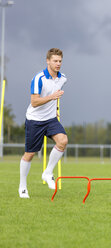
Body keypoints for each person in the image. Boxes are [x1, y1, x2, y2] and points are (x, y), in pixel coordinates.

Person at [19, 48, 68, 198]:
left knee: (63, 141)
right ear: (48, 61)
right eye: (55, 61)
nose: (58, 63)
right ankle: (22, 186)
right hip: (35, 120)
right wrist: (53, 97)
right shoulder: (39, 78)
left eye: (60, 61)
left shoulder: (63, 78)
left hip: (51, 119)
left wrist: (56, 108)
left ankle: (47, 173)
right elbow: (34, 102)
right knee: (30, 154)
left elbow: (56, 94)